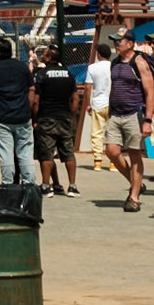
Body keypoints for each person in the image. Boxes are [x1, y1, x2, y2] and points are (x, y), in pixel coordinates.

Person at [103, 29, 154, 214]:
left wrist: (147, 120)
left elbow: (150, 91)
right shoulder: (114, 63)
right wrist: (109, 111)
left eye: (120, 41)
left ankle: (134, 197)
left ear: (130, 43)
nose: (116, 44)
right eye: (115, 41)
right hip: (116, 114)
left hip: (134, 113)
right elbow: (114, 89)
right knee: (111, 150)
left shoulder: (139, 62)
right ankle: (136, 183)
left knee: (134, 155)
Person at [0, 37, 37, 186]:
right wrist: (27, 107)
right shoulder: (21, 67)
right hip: (22, 116)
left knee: (6, 153)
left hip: (0, 117)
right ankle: (29, 184)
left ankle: (8, 184)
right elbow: (32, 89)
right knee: (25, 153)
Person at [33, 43, 79, 198]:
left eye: (44, 53)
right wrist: (70, 114)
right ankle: (72, 186)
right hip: (64, 117)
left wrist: (35, 118)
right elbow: (75, 98)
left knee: (46, 153)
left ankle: (46, 186)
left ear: (48, 57)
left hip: (47, 118)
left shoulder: (41, 74)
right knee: (68, 153)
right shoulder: (68, 74)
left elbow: (36, 101)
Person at [83, 42, 112, 171]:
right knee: (112, 132)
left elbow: (88, 87)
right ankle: (113, 162)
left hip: (97, 103)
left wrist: (88, 104)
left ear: (98, 54)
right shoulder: (114, 66)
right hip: (112, 103)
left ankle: (98, 161)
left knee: (97, 132)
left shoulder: (92, 68)